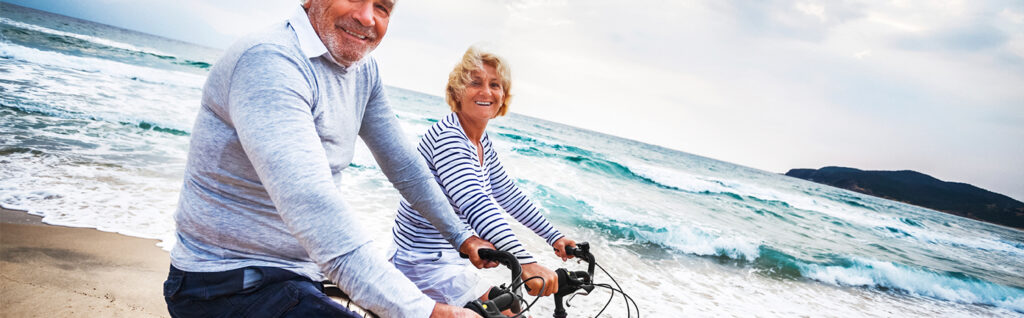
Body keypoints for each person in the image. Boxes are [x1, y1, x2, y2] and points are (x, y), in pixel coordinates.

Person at [163, 1, 495, 317]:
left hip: (301, 272)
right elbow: (313, 203)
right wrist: (425, 312)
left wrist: (462, 236)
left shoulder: (362, 72)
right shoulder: (270, 60)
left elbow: (405, 166)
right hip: (225, 284)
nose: (367, 18)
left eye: (382, 6)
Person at [390, 46, 577, 309]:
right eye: (475, 83)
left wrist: (554, 237)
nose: (486, 92)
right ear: (457, 91)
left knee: (511, 308)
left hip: (448, 262)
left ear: (504, 96)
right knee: (512, 310)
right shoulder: (450, 138)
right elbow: (475, 202)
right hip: (421, 264)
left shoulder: (480, 142)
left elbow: (509, 195)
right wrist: (525, 262)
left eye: (495, 85)